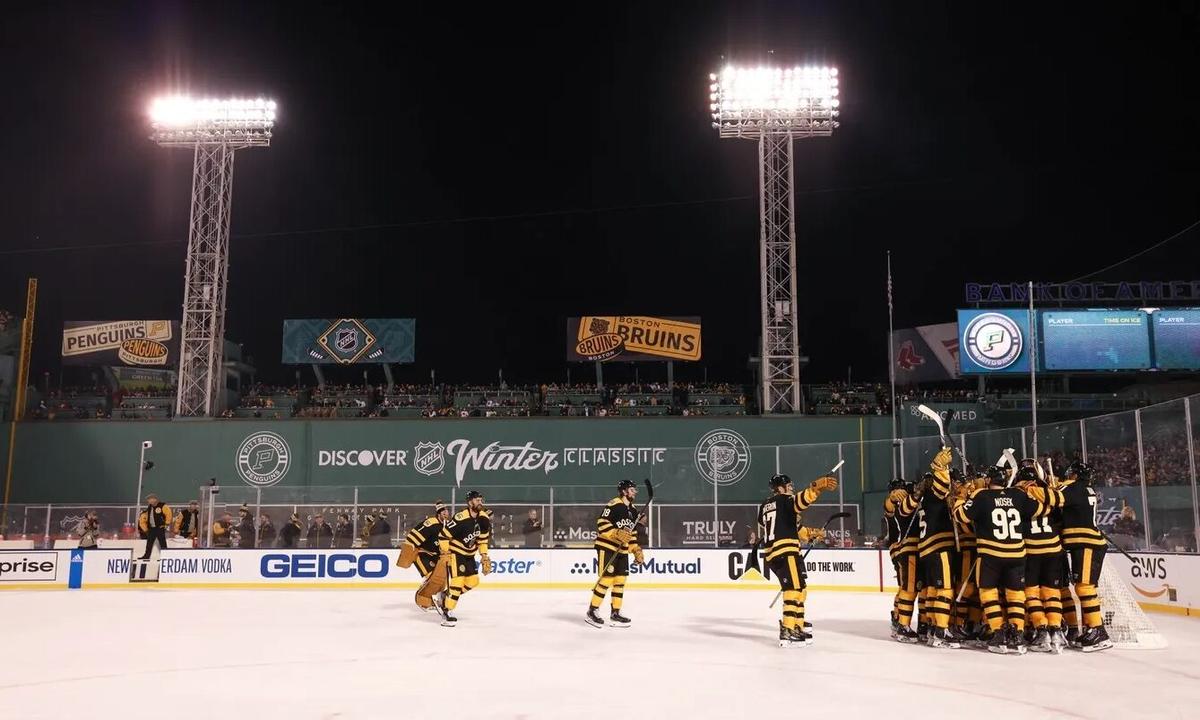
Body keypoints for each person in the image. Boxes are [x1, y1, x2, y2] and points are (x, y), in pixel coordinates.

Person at [952, 465, 1061, 655]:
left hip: (991, 554)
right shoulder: (1017, 495)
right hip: (1017, 555)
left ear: (988, 481)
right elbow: (1042, 510)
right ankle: (1017, 635)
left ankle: (998, 633)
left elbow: (960, 516)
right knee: (1016, 595)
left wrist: (961, 497)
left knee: (989, 594)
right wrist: (1049, 492)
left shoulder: (981, 496)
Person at [757, 472, 837, 647]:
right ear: (780, 488)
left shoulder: (765, 506)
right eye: (789, 486)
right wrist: (816, 487)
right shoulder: (784, 500)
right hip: (786, 550)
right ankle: (787, 629)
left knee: (800, 588)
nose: (791, 488)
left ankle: (797, 625)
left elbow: (790, 526)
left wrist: (811, 534)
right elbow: (801, 501)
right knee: (793, 589)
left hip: (775, 553)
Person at [898, 448, 959, 648]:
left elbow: (904, 509)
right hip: (939, 546)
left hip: (925, 550)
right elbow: (942, 486)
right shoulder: (936, 496)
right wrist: (940, 467)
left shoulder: (921, 501)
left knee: (932, 590)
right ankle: (941, 631)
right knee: (944, 589)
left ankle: (933, 628)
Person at [1059, 461, 1114, 652]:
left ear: (1075, 475)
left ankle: (1098, 631)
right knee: (1085, 587)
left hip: (1086, 544)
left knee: (1084, 588)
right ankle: (1093, 629)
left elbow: (1054, 498)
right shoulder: (1085, 489)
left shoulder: (1073, 488)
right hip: (1088, 543)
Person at [1016, 465, 1068, 653]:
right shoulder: (1047, 493)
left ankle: (1042, 629)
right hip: (1054, 549)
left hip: (1032, 550)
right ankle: (1056, 631)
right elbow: (1060, 502)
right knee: (1052, 592)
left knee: (1032, 593)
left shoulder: (1019, 495)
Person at [585, 480, 643, 629]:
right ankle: (592, 611)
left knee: (620, 580)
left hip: (622, 550)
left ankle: (615, 612)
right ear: (624, 491)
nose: (634, 492)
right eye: (631, 489)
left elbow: (632, 533)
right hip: (608, 547)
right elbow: (601, 522)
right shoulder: (614, 504)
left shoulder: (634, 511)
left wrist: (635, 549)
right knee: (606, 580)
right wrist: (615, 533)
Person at [437, 490, 492, 627]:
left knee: (473, 581)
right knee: (458, 580)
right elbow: (444, 536)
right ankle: (447, 611)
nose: (480, 502)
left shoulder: (484, 519)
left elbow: (482, 540)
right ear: (469, 502)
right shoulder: (460, 518)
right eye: (477, 500)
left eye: (481, 500)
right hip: (456, 553)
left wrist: (484, 555)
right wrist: (445, 552)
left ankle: (446, 595)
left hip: (469, 554)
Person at [883, 477, 920, 643]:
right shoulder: (893, 503)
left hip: (903, 547)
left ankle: (897, 617)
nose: (899, 490)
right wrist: (891, 498)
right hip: (899, 547)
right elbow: (888, 508)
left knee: (905, 584)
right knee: (907, 585)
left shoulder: (906, 501)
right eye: (896, 488)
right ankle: (900, 621)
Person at [404, 501, 452, 610]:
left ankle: (434, 600)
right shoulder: (431, 522)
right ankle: (422, 599)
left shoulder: (447, 526)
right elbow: (414, 535)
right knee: (432, 577)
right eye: (443, 512)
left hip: (436, 556)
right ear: (438, 513)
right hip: (422, 554)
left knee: (441, 580)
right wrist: (408, 547)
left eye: (446, 511)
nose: (446, 513)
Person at [137, 494, 173, 560]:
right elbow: (145, 517)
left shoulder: (162, 506)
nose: (149, 501)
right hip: (151, 528)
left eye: (150, 499)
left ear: (155, 499)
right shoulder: (150, 507)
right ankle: (146, 556)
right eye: (148, 500)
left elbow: (169, 514)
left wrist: (166, 524)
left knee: (162, 543)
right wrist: (146, 529)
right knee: (149, 543)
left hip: (160, 527)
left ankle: (165, 556)